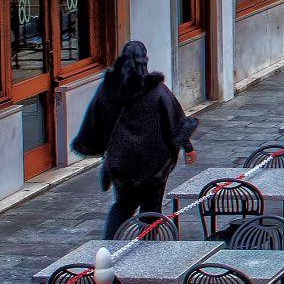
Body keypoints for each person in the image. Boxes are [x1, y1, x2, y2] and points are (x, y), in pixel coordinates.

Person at [72, 41, 198, 238]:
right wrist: (187, 147)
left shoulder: (108, 90)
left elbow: (94, 121)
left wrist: (102, 151)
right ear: (145, 61)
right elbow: (176, 122)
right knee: (151, 208)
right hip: (153, 166)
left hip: (122, 165)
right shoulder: (157, 91)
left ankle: (110, 247)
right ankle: (147, 253)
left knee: (122, 206)